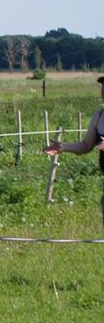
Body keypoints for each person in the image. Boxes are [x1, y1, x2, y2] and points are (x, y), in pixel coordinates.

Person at [43, 75, 104, 228]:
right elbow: (86, 145)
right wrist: (63, 147)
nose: (102, 90)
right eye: (102, 87)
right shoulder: (99, 116)